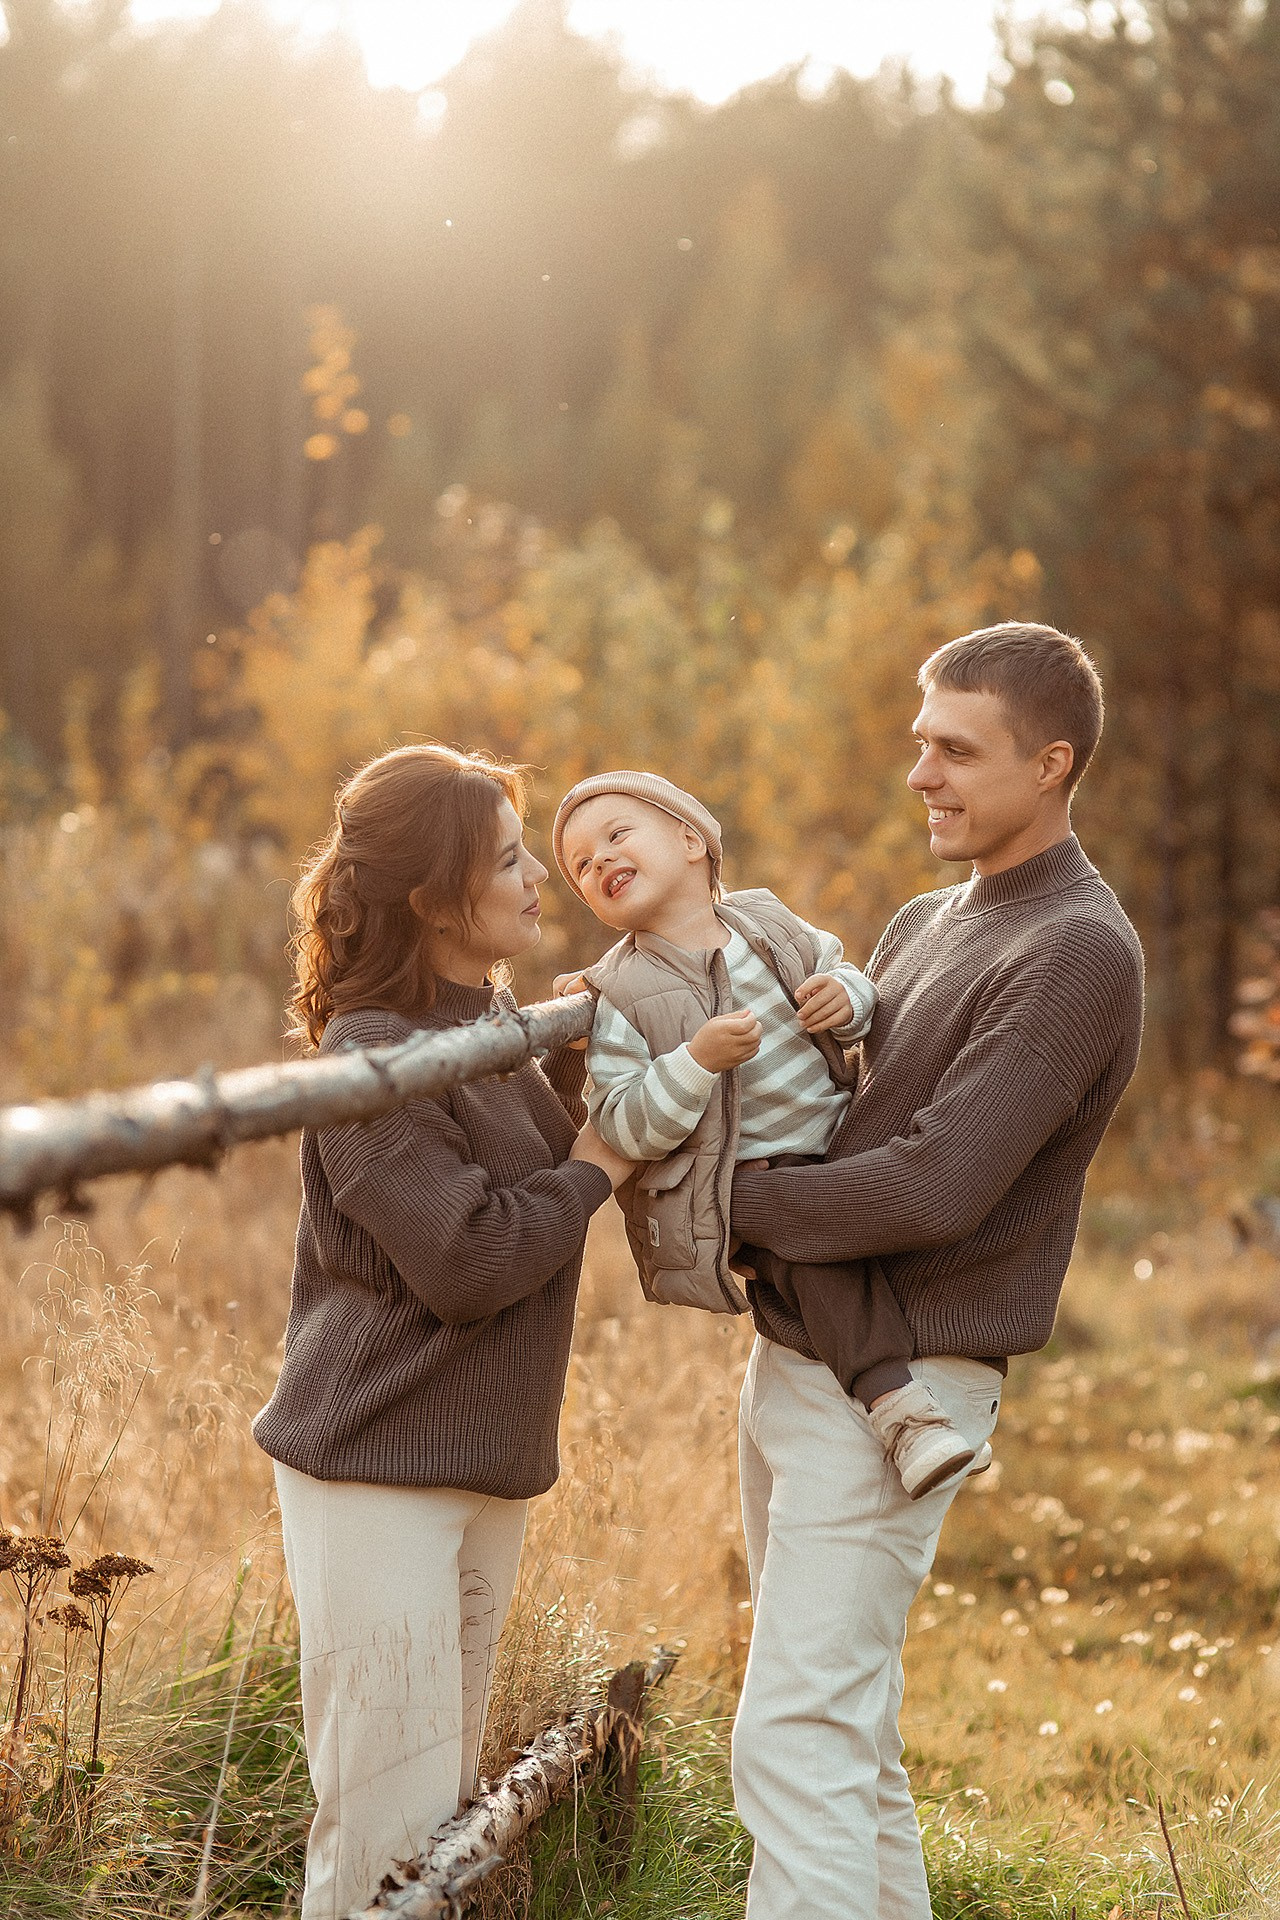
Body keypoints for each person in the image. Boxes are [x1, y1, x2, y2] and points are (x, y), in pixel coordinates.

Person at [725, 622, 1145, 1920]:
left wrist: (721, 1205)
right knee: (844, 1739)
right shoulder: (923, 920)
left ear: (1050, 764)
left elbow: (931, 1186)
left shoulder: (1076, 948)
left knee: (792, 1738)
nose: (921, 775)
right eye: (921, 745)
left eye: (956, 752)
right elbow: (840, 1122)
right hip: (801, 1359)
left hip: (903, 1384)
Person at [252, 742, 630, 1920]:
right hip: (375, 1466)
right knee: (384, 1826)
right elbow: (468, 1260)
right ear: (431, 899)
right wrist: (599, 1165)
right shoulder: (371, 1057)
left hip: (474, 1462)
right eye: (508, 861)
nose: (538, 879)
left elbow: (508, 1165)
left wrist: (580, 1067)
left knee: (442, 1816)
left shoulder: (489, 1025)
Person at [551, 770, 981, 1499]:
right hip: (744, 1180)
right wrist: (694, 1063)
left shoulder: (767, 921)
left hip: (839, 1140)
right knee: (815, 1259)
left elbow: (848, 977)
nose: (601, 862)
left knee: (910, 1210)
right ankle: (903, 1414)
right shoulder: (617, 993)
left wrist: (845, 998)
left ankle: (948, 1385)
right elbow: (622, 1122)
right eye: (581, 867)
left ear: (692, 840)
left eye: (617, 836)